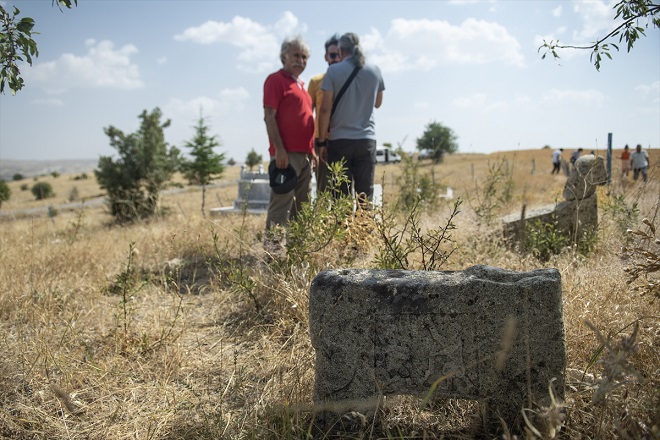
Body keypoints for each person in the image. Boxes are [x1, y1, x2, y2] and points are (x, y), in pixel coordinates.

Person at [316, 32, 385, 204]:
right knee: (365, 197)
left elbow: (325, 110)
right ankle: (364, 230)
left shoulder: (333, 71)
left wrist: (322, 142)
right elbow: (377, 103)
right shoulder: (375, 70)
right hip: (366, 140)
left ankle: (344, 230)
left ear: (340, 50)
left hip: (340, 141)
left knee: (341, 199)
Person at [262, 35, 316, 235]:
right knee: (281, 206)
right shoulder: (276, 80)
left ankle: (297, 256)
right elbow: (269, 116)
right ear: (284, 56)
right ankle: (273, 257)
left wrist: (313, 152)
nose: (300, 61)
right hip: (286, 155)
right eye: (296, 55)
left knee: (302, 208)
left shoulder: (302, 85)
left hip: (306, 156)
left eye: (304, 57)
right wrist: (280, 150)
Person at [307, 34, 340, 193]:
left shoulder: (350, 81)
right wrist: (313, 146)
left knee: (343, 189)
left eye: (339, 55)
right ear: (326, 56)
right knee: (323, 190)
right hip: (321, 142)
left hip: (343, 140)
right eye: (333, 55)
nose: (336, 59)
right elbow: (308, 113)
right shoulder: (316, 81)